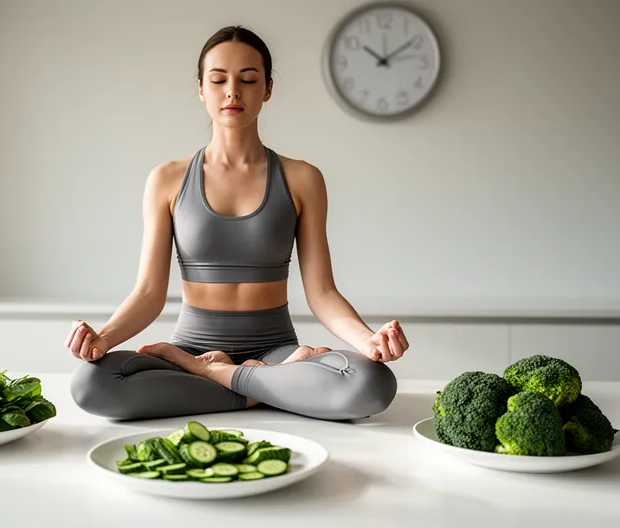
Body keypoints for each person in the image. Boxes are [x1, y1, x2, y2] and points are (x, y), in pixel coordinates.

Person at [68, 25, 408, 421]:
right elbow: (148, 294)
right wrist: (102, 338)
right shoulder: (167, 179)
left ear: (267, 89)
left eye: (248, 79)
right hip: (193, 349)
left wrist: (368, 341)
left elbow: (323, 292)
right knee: (90, 384)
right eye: (218, 80)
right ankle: (262, 387)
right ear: (201, 88)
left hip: (275, 350)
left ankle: (216, 376)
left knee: (371, 384)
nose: (233, 91)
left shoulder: (302, 179)